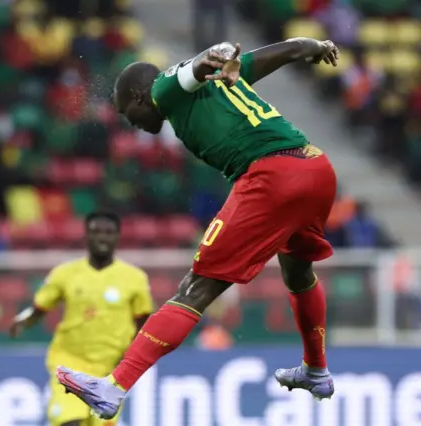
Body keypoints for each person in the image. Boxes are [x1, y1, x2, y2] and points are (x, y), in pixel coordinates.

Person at [56, 39, 341, 419]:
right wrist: (309, 45)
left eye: (129, 112)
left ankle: (114, 386)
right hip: (315, 168)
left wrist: (211, 57)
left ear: (140, 95)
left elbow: (190, 70)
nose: (132, 122)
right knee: (298, 270)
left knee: (197, 287)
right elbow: (274, 55)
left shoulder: (161, 89)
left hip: (272, 175)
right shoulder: (222, 83)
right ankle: (316, 370)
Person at [10, 212, 153, 426]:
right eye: (96, 232)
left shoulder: (135, 279)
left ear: (117, 236)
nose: (102, 238)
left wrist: (132, 362)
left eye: (108, 232)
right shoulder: (65, 274)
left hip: (110, 372)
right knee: (70, 422)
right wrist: (22, 320)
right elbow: (38, 308)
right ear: (86, 235)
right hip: (70, 364)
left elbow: (144, 324)